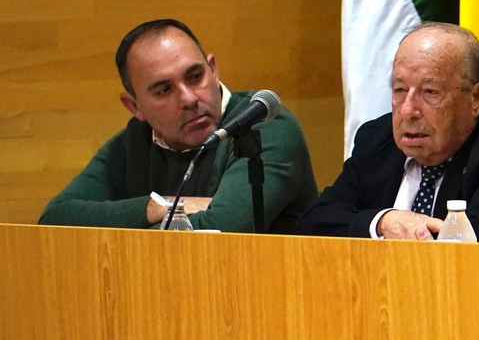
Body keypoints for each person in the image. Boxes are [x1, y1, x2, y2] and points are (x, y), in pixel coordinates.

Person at [39, 19, 317, 232]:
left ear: (213, 69)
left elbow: (225, 227)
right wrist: (156, 207)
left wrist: (130, 219)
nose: (188, 99)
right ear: (134, 107)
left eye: (195, 76)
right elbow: (56, 220)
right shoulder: (134, 142)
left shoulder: (263, 124)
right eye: (163, 91)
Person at [296, 23, 479, 243]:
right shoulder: (377, 139)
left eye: (430, 92)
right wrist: (382, 222)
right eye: (399, 90)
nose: (409, 111)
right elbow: (313, 224)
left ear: (477, 98)